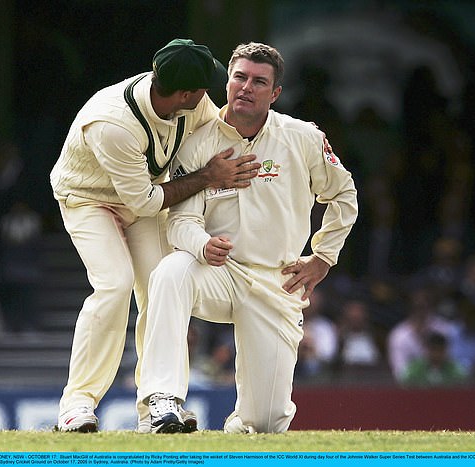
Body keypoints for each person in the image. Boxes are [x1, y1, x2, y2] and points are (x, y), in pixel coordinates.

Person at [137, 42, 358, 433]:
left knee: (267, 423)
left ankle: (238, 431)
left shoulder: (303, 137)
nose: (246, 87)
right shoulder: (196, 142)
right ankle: (163, 401)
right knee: (172, 271)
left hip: (278, 280)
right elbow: (180, 222)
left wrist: (323, 257)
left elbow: (343, 193)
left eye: (259, 82)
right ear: (227, 83)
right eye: (239, 77)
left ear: (274, 94)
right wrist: (202, 244)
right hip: (219, 272)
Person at [49, 38, 261, 433]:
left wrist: (280, 138)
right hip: (88, 198)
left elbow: (222, 133)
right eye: (203, 88)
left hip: (146, 195)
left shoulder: (191, 103)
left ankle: (156, 409)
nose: (209, 95)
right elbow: (147, 202)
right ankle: (76, 405)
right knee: (114, 284)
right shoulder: (113, 124)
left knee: (161, 286)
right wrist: (208, 177)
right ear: (185, 92)